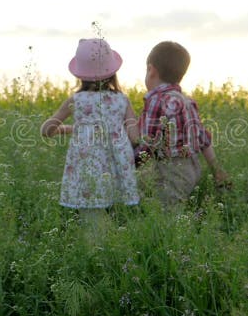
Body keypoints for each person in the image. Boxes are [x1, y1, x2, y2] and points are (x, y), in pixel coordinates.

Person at [41, 38, 140, 222]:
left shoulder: (76, 101)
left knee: (92, 219)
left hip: (89, 169)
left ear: (80, 74)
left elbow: (46, 130)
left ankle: (95, 247)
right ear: (112, 72)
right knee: (119, 218)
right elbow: (135, 138)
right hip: (118, 168)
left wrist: (69, 130)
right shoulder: (122, 100)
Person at [136, 41, 229, 206]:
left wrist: (129, 166)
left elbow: (148, 144)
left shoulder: (157, 100)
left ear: (151, 70)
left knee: (168, 216)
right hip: (192, 167)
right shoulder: (187, 101)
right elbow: (203, 138)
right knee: (144, 189)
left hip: (172, 170)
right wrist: (217, 170)